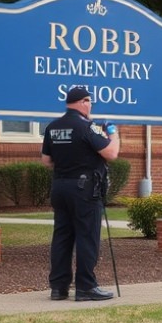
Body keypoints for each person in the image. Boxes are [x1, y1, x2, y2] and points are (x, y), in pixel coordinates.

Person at [41, 86, 120, 301]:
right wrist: (113, 134)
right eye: (89, 101)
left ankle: (58, 288)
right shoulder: (88, 127)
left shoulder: (52, 127)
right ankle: (86, 287)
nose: (90, 105)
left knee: (62, 237)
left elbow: (46, 161)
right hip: (84, 190)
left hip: (60, 187)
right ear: (83, 102)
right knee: (87, 236)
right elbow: (111, 153)